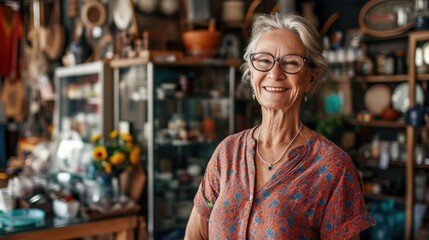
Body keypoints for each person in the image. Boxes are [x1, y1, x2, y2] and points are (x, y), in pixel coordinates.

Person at [185, 13, 375, 239]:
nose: (274, 73)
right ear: (251, 71)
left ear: (311, 78)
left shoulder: (334, 168)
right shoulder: (227, 153)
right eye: (264, 61)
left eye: (291, 63)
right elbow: (195, 235)